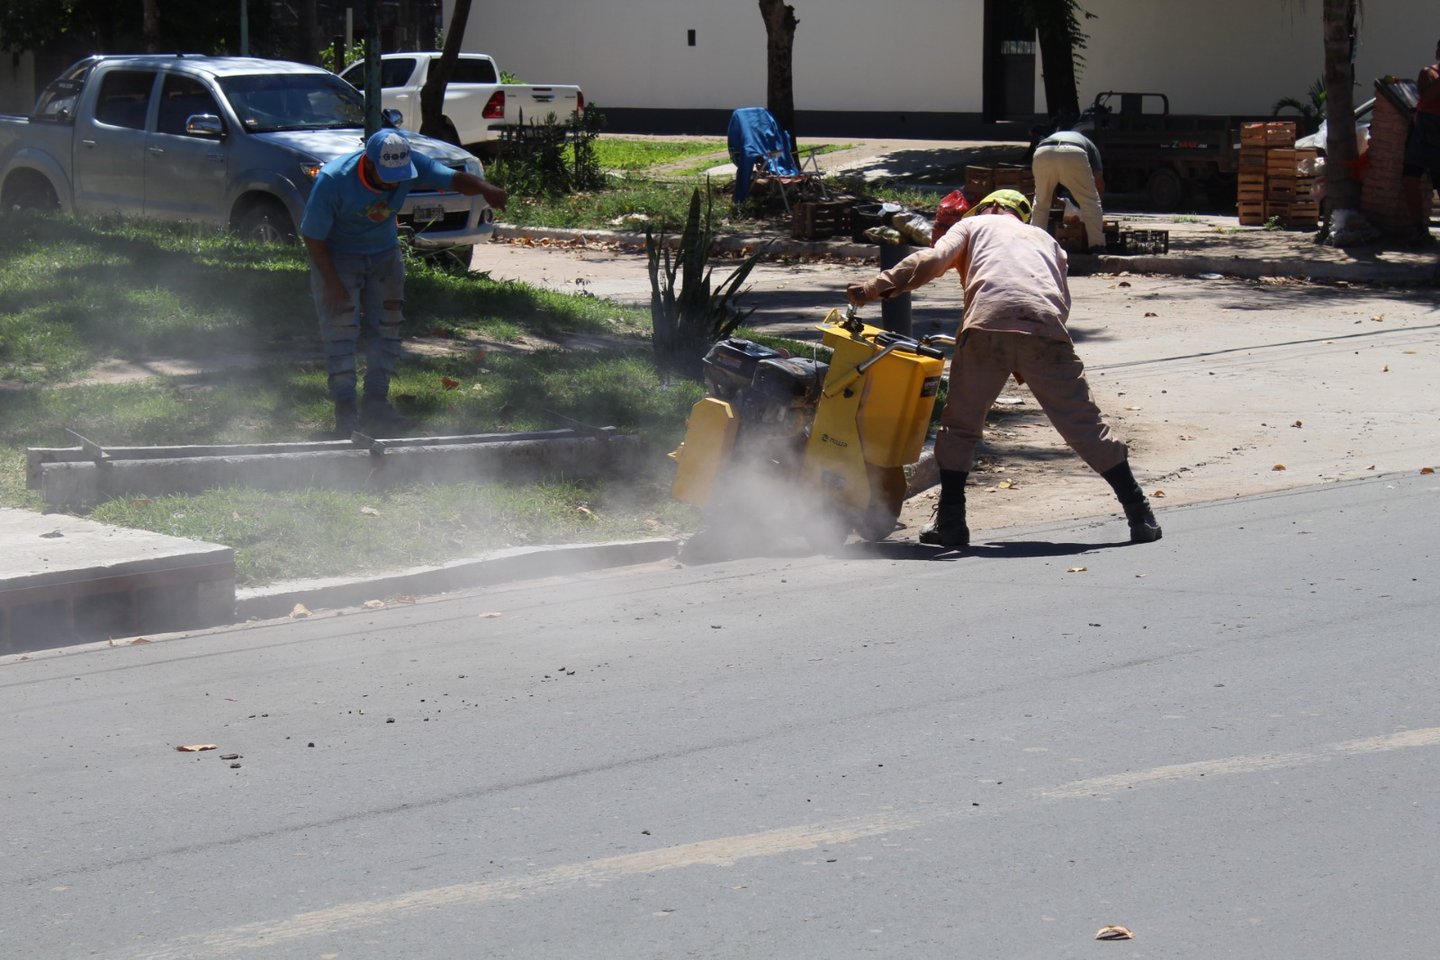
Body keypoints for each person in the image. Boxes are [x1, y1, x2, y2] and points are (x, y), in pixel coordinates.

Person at [844, 189, 1161, 548]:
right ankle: (1140, 514)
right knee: (1085, 425)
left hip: (985, 329)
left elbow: (932, 259)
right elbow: (1058, 299)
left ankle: (951, 522)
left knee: (959, 428)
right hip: (1046, 330)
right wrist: (1031, 353)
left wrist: (874, 288)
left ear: (990, 207)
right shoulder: (1047, 241)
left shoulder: (973, 225)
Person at [301, 129, 508, 435]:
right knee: (341, 331)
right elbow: (313, 236)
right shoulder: (334, 180)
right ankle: (345, 413)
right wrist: (331, 283)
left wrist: (485, 188)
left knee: (387, 329)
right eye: (387, 177)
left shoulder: (407, 164)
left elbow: (452, 178)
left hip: (384, 256)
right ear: (368, 162)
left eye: (399, 177)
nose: (394, 184)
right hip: (338, 259)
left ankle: (376, 406)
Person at [1031, 128, 1107, 255]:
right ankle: (1096, 245)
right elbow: (1098, 182)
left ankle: (1034, 245)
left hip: (1043, 151)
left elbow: (1047, 182)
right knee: (1090, 202)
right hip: (1073, 152)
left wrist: (1051, 197)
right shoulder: (1091, 146)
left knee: (1041, 204)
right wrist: (1097, 208)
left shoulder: (1058, 135)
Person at [1402, 38, 1440, 245]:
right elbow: (1427, 96)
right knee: (1410, 177)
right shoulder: (1428, 73)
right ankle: (1417, 227)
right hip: (1424, 132)